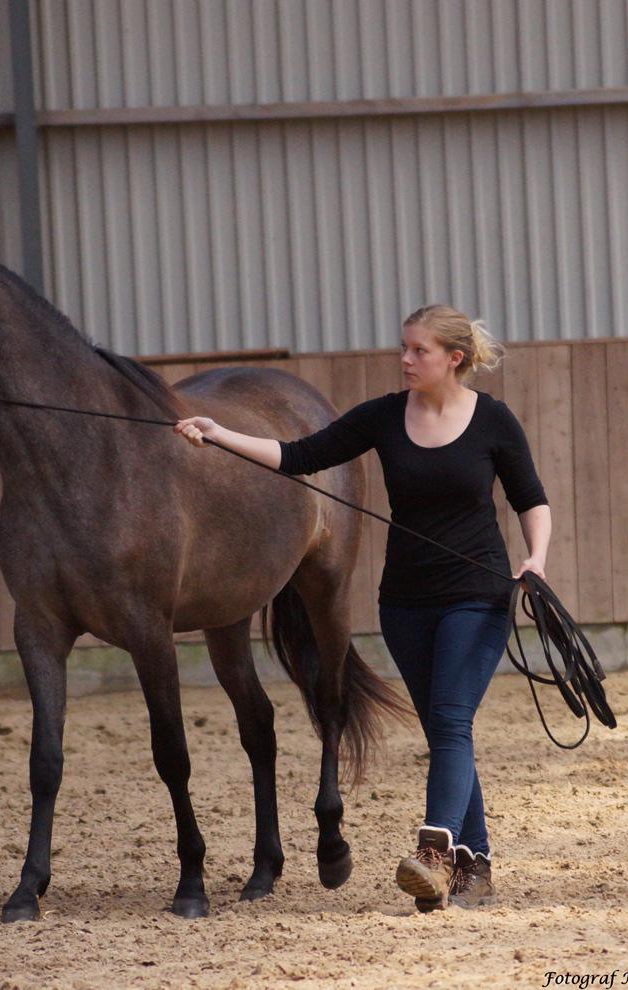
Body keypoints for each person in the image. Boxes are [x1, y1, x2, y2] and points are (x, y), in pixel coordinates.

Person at [174, 304, 551, 912]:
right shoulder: (382, 417)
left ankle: (434, 854)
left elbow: (532, 498)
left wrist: (535, 558)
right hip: (405, 603)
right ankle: (475, 863)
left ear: (453, 359)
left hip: (478, 596)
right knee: (443, 727)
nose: (404, 359)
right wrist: (219, 434)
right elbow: (298, 455)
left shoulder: (494, 422)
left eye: (418, 351)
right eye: (403, 348)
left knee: (451, 722)